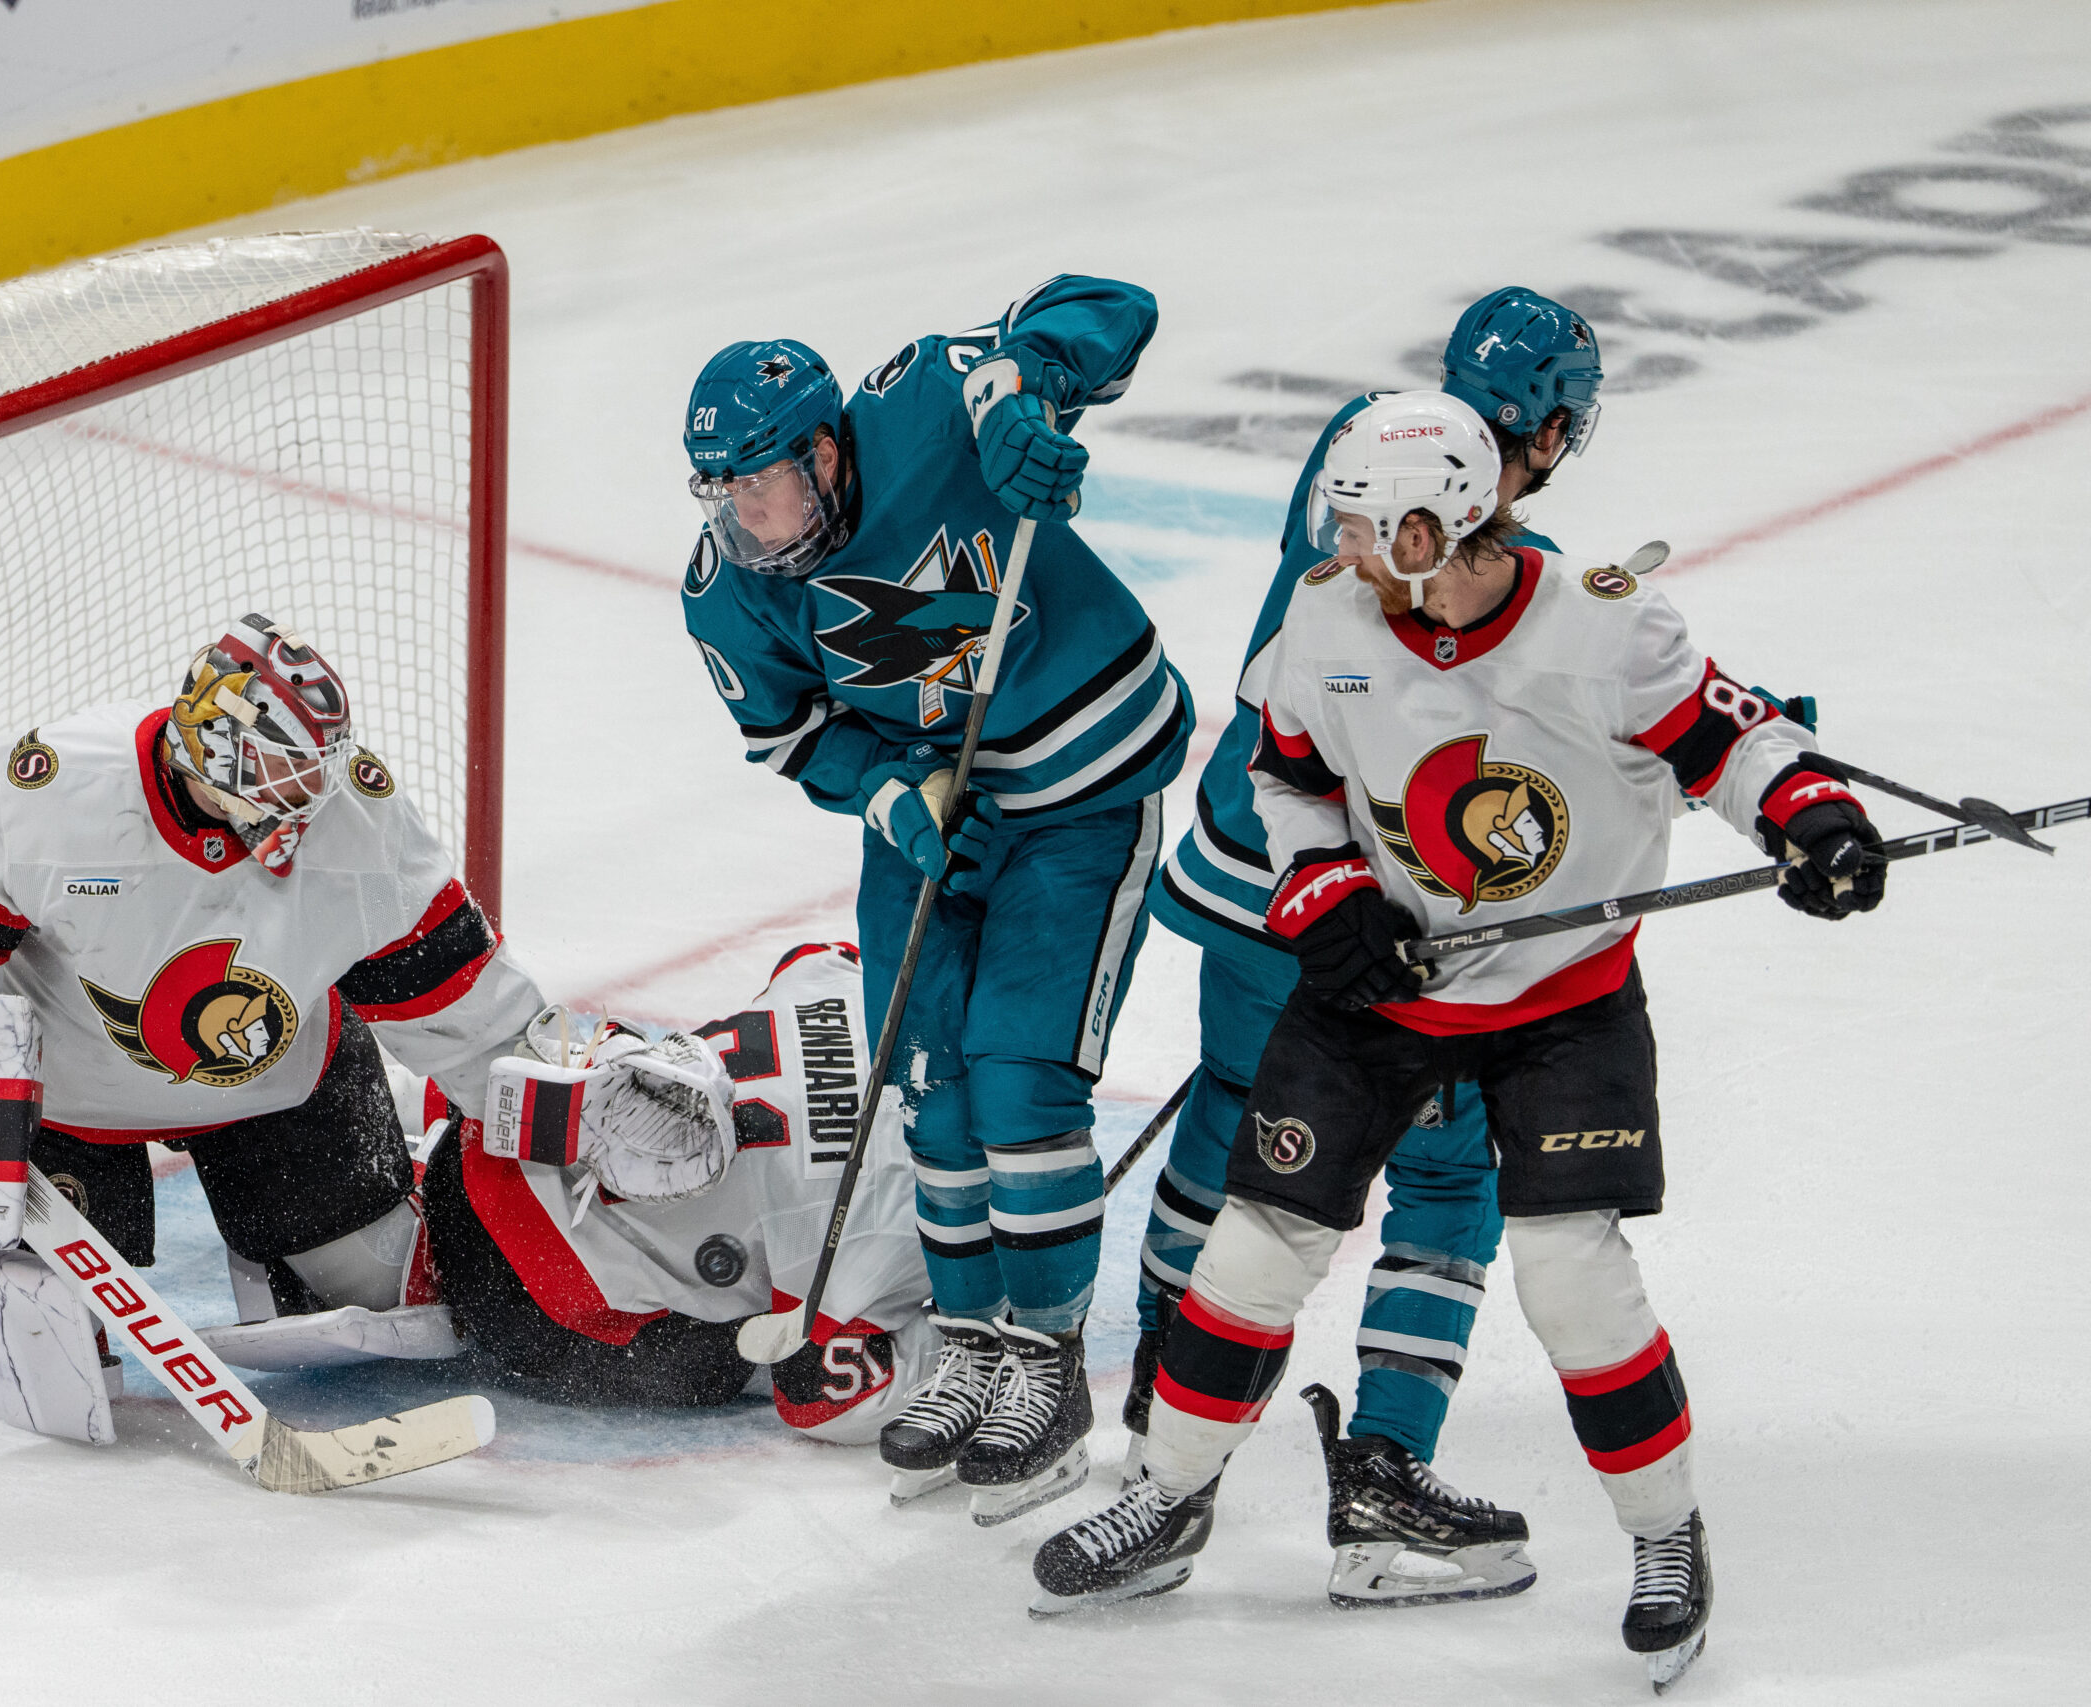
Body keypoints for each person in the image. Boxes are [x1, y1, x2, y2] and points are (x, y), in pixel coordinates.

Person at [1030, 389, 1885, 1694]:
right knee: (1254, 1249)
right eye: (1352, 528)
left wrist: (1810, 816)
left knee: (1570, 1274)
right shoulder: (1330, 619)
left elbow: (1733, 738)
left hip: (1562, 1000)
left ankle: (1668, 1534)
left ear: (1454, 521)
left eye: (1385, 531)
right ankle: (1167, 1497)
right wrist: (1327, 890)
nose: (1358, 555)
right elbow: (1289, 776)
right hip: (1383, 990)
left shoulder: (1603, 623)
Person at [0, 613, 735, 1425]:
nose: (309, 798)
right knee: (50, 1347)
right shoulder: (51, 792)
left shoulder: (356, 827)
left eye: (316, 769)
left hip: (280, 1084)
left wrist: (575, 1095)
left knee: (389, 1298)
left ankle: (279, 1250)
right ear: (208, 752)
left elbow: (461, 999)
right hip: (71, 1106)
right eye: (280, 770)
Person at [679, 277, 1194, 1522]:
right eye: (728, 492)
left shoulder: (921, 403)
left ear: (824, 445)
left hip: (1078, 784)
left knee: (1020, 1084)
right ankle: (969, 1339)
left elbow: (1104, 307)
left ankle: (1048, 1360)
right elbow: (792, 734)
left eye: (771, 480)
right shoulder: (727, 587)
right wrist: (892, 798)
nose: (754, 514)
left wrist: (1027, 394)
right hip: (931, 814)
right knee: (930, 1092)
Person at [1127, 288, 1602, 1605]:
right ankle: (1385, 1480)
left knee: (1231, 1122)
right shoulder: (1509, 569)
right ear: (1550, 428)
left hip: (1251, 866)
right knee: (1450, 1183)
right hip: (1373, 919)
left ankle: (1159, 1452)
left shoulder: (1359, 440)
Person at [407, 940, 935, 1444]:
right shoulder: (894, 1219)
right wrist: (961, 1330)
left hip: (488, 1139)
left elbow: (810, 955)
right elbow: (817, 1396)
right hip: (537, 1306)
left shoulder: (856, 981)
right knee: (738, 1354)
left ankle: (414, 1150)